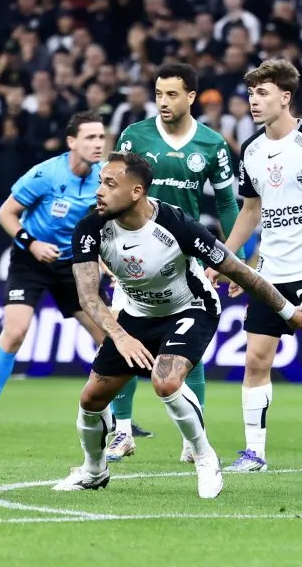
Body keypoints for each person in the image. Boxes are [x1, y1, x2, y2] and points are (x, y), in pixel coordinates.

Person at [53, 152, 302, 497]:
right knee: (91, 398)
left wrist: (287, 311)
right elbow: (88, 296)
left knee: (166, 380)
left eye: (110, 183)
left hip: (190, 308)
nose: (99, 190)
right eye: (100, 181)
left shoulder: (176, 225)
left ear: (136, 192)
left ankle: (205, 457)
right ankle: (93, 470)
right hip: (134, 316)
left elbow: (237, 270)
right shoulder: (90, 228)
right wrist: (120, 336)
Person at [214, 60, 302, 473]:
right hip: (270, 273)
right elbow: (251, 211)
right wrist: (228, 261)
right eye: (251, 93)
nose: (253, 101)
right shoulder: (252, 150)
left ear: (285, 97)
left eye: (262, 93)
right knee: (256, 360)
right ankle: (254, 453)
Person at [104, 63, 240, 464]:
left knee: (187, 345)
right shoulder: (135, 136)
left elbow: (228, 204)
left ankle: (191, 435)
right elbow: (112, 188)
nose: (163, 101)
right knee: (123, 336)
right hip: (133, 253)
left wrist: (234, 259)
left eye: (172, 94)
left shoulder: (212, 145)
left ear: (191, 97)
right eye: (159, 93)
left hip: (188, 255)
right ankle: (123, 432)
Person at [0, 111, 107, 436]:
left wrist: (102, 262)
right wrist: (31, 244)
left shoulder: (105, 176)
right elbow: (6, 213)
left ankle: (120, 421)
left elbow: (107, 225)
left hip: (73, 265)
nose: (98, 143)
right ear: (71, 142)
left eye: (102, 137)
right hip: (30, 260)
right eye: (90, 137)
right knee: (15, 332)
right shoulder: (46, 174)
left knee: (110, 336)